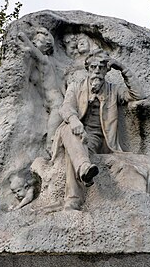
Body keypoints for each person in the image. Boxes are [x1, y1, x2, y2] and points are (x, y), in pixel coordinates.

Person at [53, 49, 145, 210]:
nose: (97, 71)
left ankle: (74, 197)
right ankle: (83, 169)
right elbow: (66, 108)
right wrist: (74, 120)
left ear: (106, 70)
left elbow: (138, 94)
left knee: (74, 148)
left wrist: (123, 68)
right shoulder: (75, 87)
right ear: (87, 69)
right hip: (75, 131)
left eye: (101, 67)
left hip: (97, 139)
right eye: (93, 67)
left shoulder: (114, 90)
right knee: (68, 131)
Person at [17, 27, 64, 156]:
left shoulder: (44, 60)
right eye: (35, 40)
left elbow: (31, 49)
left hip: (56, 104)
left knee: (51, 142)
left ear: (46, 47)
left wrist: (23, 36)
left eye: (39, 41)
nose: (35, 42)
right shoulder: (41, 63)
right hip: (48, 105)